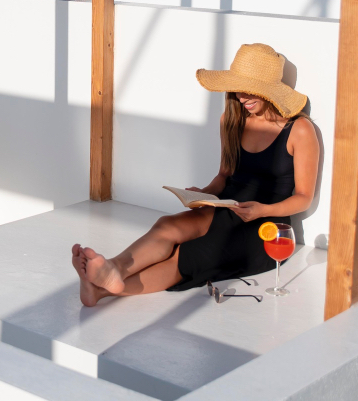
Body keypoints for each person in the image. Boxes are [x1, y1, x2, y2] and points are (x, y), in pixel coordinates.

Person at [72, 43, 320, 307]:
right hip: (228, 208)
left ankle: (101, 291)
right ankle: (113, 269)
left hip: (265, 226)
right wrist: (204, 193)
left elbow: (304, 198)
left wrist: (261, 210)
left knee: (188, 255)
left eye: (250, 90)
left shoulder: (300, 130)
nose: (242, 97)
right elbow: (225, 174)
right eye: (237, 88)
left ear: (268, 90)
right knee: (167, 225)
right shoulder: (231, 119)